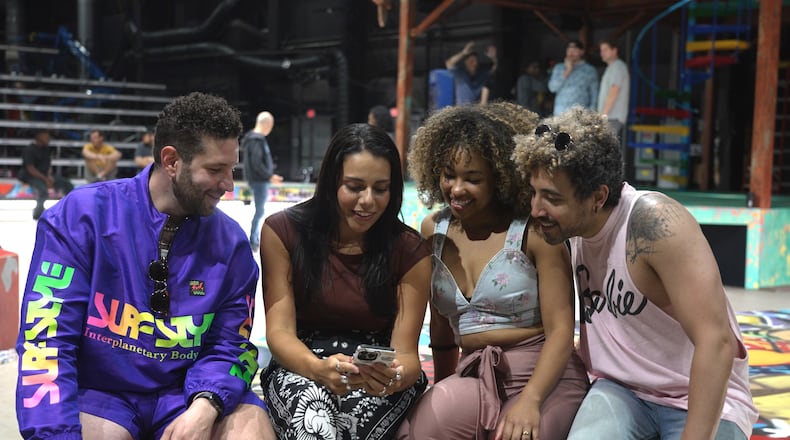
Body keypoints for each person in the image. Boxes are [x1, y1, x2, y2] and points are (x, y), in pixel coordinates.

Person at [16, 92, 276, 440]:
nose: (228, 185)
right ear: (171, 161)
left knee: (250, 430)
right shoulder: (81, 217)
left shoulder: (231, 244)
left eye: (231, 169)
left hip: (186, 395)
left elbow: (233, 345)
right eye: (215, 170)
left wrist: (206, 405)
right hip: (101, 396)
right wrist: (55, 434)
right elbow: (45, 340)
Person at [512, 106, 758, 439]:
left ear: (598, 197)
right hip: (621, 390)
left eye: (551, 198)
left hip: (696, 395)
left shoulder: (655, 224)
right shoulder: (567, 229)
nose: (536, 209)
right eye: (534, 192)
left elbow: (715, 342)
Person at [396, 102, 589, 440]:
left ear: (500, 178)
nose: (456, 189)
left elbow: (561, 333)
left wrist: (531, 400)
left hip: (546, 376)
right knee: (420, 431)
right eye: (448, 175)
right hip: (476, 375)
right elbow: (441, 332)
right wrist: (444, 392)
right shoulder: (432, 232)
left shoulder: (534, 232)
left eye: (472, 179)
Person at [260, 123, 431, 438]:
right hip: (302, 362)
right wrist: (318, 369)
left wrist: (393, 377)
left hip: (376, 373)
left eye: (381, 189)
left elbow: (407, 354)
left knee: (352, 424)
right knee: (316, 423)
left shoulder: (411, 250)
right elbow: (279, 333)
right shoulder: (282, 232)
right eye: (354, 187)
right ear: (330, 183)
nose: (367, 201)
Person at [242, 111, 282, 253]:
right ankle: (253, 240)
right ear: (268, 125)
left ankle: (254, 239)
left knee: (259, 211)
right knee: (260, 211)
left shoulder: (252, 139)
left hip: (257, 180)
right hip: (259, 181)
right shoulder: (257, 141)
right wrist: (269, 176)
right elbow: (257, 163)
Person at [18, 128, 74, 220]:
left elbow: (48, 165)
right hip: (30, 176)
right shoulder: (29, 149)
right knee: (42, 191)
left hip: (44, 175)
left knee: (68, 185)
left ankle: (67, 209)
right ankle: (38, 213)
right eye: (46, 135)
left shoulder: (46, 149)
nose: (48, 138)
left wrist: (49, 176)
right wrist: (45, 179)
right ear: (38, 136)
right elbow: (30, 168)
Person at [548, 40, 599, 115]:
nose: (571, 52)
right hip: (560, 114)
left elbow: (594, 94)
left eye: (574, 50)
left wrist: (591, 113)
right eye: (569, 49)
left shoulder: (589, 70)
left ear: (582, 51)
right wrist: (567, 70)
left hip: (580, 115)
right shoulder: (559, 68)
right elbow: (552, 88)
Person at [445, 41, 497, 105]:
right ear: (465, 62)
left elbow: (495, 70)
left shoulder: (483, 74)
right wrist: (463, 53)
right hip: (462, 111)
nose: (475, 63)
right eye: (471, 61)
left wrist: (494, 58)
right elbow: (448, 63)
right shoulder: (459, 73)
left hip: (477, 111)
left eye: (476, 61)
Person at [598, 39, 630, 137]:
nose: (602, 53)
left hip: (612, 117)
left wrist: (603, 116)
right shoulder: (612, 67)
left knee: (605, 148)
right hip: (610, 117)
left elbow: (614, 92)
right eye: (601, 50)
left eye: (605, 50)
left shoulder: (617, 66)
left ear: (614, 50)